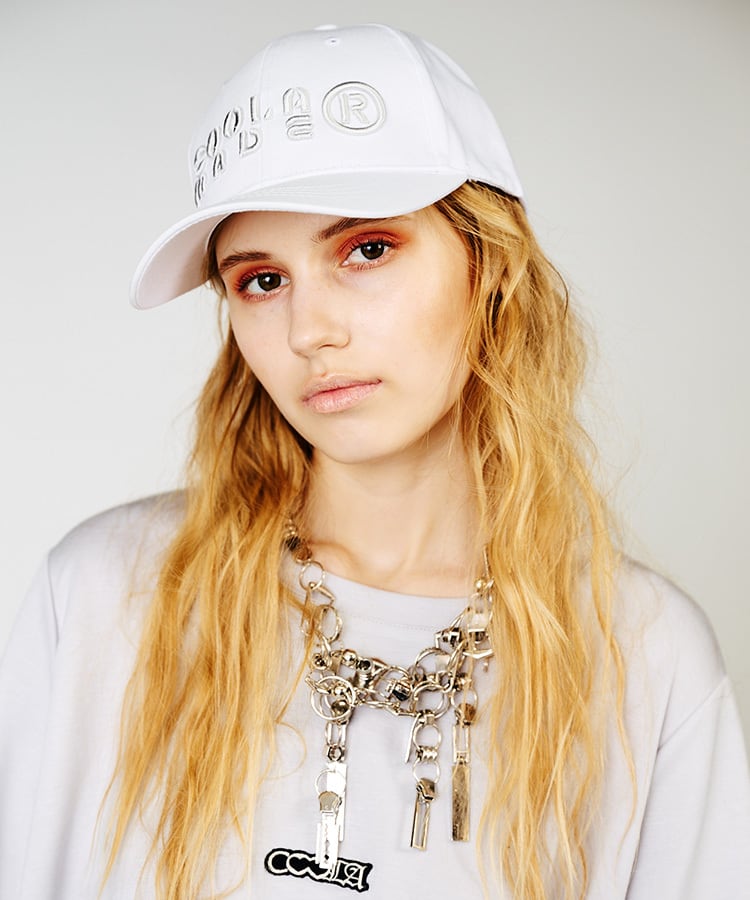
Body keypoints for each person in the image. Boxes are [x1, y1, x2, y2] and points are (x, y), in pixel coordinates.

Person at [0, 22, 748, 900]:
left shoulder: (642, 655)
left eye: (366, 249)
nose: (310, 331)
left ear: (489, 267)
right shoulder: (104, 596)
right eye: (262, 280)